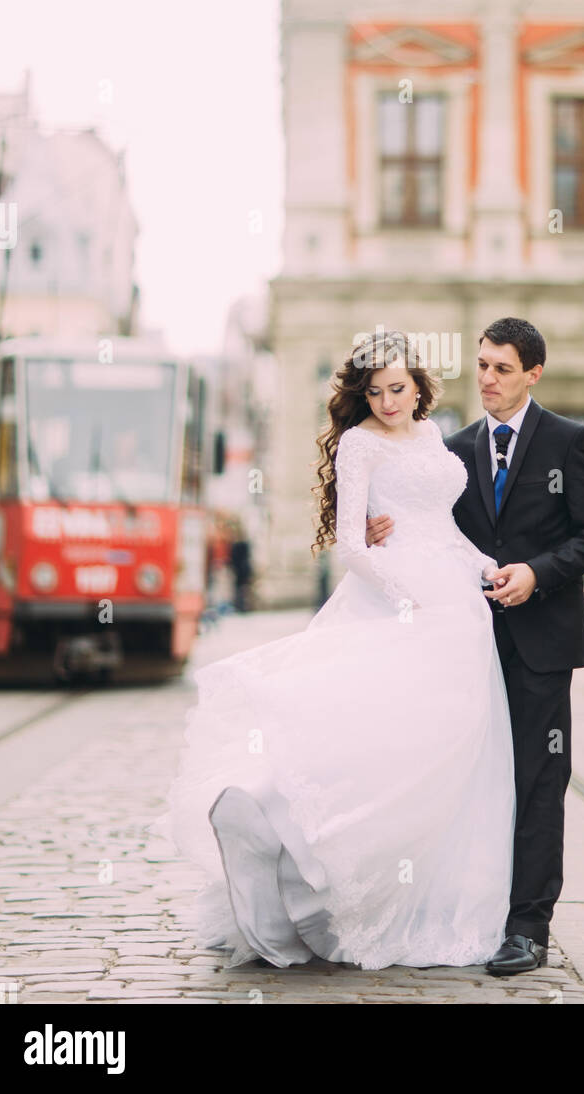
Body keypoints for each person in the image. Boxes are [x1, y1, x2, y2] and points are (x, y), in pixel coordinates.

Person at [152, 331, 516, 970]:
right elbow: (351, 543)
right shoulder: (358, 443)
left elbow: (446, 526)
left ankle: (391, 888)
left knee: (437, 756)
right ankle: (262, 814)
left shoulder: (432, 436)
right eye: (374, 392)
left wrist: (490, 568)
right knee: (368, 737)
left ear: (418, 384)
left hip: (458, 607)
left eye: (398, 388)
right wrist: (410, 599)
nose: (387, 402)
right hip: (401, 600)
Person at [366, 317, 584, 975]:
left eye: (502, 368)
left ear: (533, 373)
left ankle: (528, 926)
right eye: (481, 365)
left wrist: (537, 574)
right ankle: (463, 911)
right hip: (463, 642)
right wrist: (377, 526)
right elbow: (430, 528)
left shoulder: (570, 441)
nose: (487, 379)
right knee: (469, 777)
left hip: (542, 643)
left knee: (538, 781)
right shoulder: (451, 449)